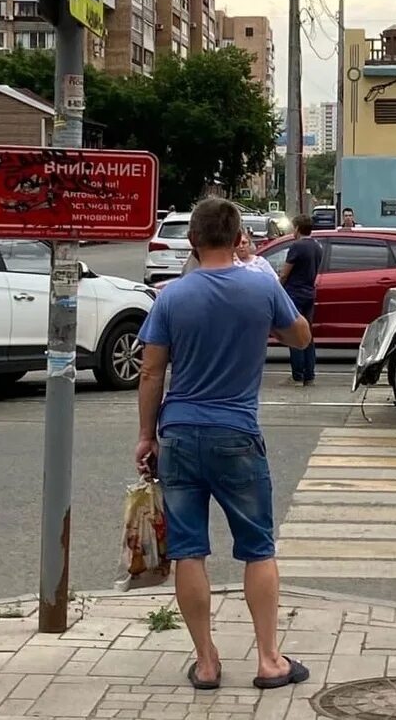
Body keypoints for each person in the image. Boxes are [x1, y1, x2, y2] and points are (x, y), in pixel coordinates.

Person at [134, 197, 313, 693]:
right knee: (258, 548)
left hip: (179, 435)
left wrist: (148, 436)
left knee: (189, 551)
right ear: (238, 239)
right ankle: (269, 660)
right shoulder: (261, 285)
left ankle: (207, 662)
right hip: (236, 433)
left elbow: (151, 372)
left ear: (191, 241)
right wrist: (269, 314)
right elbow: (301, 337)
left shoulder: (171, 297)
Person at [279, 214, 321, 386]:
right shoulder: (317, 246)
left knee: (294, 333)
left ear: (296, 228)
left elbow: (285, 273)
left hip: (294, 294)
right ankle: (309, 374)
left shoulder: (297, 247)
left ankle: (297, 375)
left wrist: (278, 288)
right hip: (309, 293)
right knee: (307, 334)